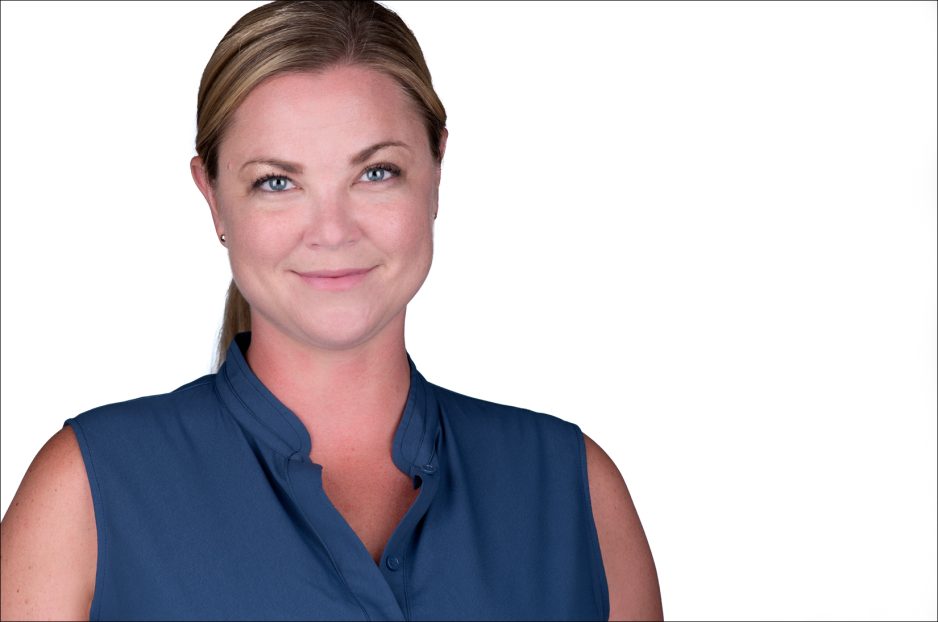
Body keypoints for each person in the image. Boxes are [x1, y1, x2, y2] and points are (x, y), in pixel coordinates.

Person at [0, 1, 662, 620]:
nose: (332, 231)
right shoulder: (85, 494)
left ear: (437, 170)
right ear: (213, 198)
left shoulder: (575, 491)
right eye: (277, 182)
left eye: (375, 172)